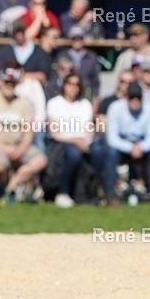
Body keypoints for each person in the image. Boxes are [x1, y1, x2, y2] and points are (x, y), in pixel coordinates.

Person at [0, 63, 48, 205]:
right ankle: (8, 189)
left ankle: (11, 188)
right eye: (6, 82)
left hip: (18, 145)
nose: (9, 85)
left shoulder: (24, 102)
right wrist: (4, 147)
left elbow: (29, 130)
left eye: (12, 82)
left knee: (40, 160)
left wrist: (21, 149)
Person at [104, 82, 150, 204]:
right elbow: (112, 139)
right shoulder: (115, 108)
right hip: (122, 146)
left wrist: (140, 147)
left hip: (142, 146)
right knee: (110, 153)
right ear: (126, 98)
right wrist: (130, 147)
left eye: (138, 98)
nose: (135, 101)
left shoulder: (149, 109)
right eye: (132, 98)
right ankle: (111, 194)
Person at [45, 73, 93, 209]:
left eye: (77, 84)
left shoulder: (85, 104)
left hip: (84, 142)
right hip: (61, 142)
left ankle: (97, 193)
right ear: (64, 85)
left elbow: (90, 128)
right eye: (70, 84)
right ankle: (62, 192)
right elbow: (55, 133)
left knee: (100, 152)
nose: (73, 88)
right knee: (73, 154)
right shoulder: (54, 103)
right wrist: (76, 141)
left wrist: (85, 142)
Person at [0, 20, 51, 84]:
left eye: (22, 32)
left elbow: (44, 75)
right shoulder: (4, 52)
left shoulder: (39, 52)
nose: (19, 35)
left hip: (32, 88)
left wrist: (21, 76)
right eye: (16, 32)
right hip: (8, 87)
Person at [56, 26, 101, 109]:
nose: (77, 41)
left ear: (83, 38)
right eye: (74, 38)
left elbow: (96, 82)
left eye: (79, 38)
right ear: (70, 40)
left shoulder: (91, 57)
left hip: (86, 95)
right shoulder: (62, 56)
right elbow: (57, 78)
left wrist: (95, 101)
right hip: (66, 95)